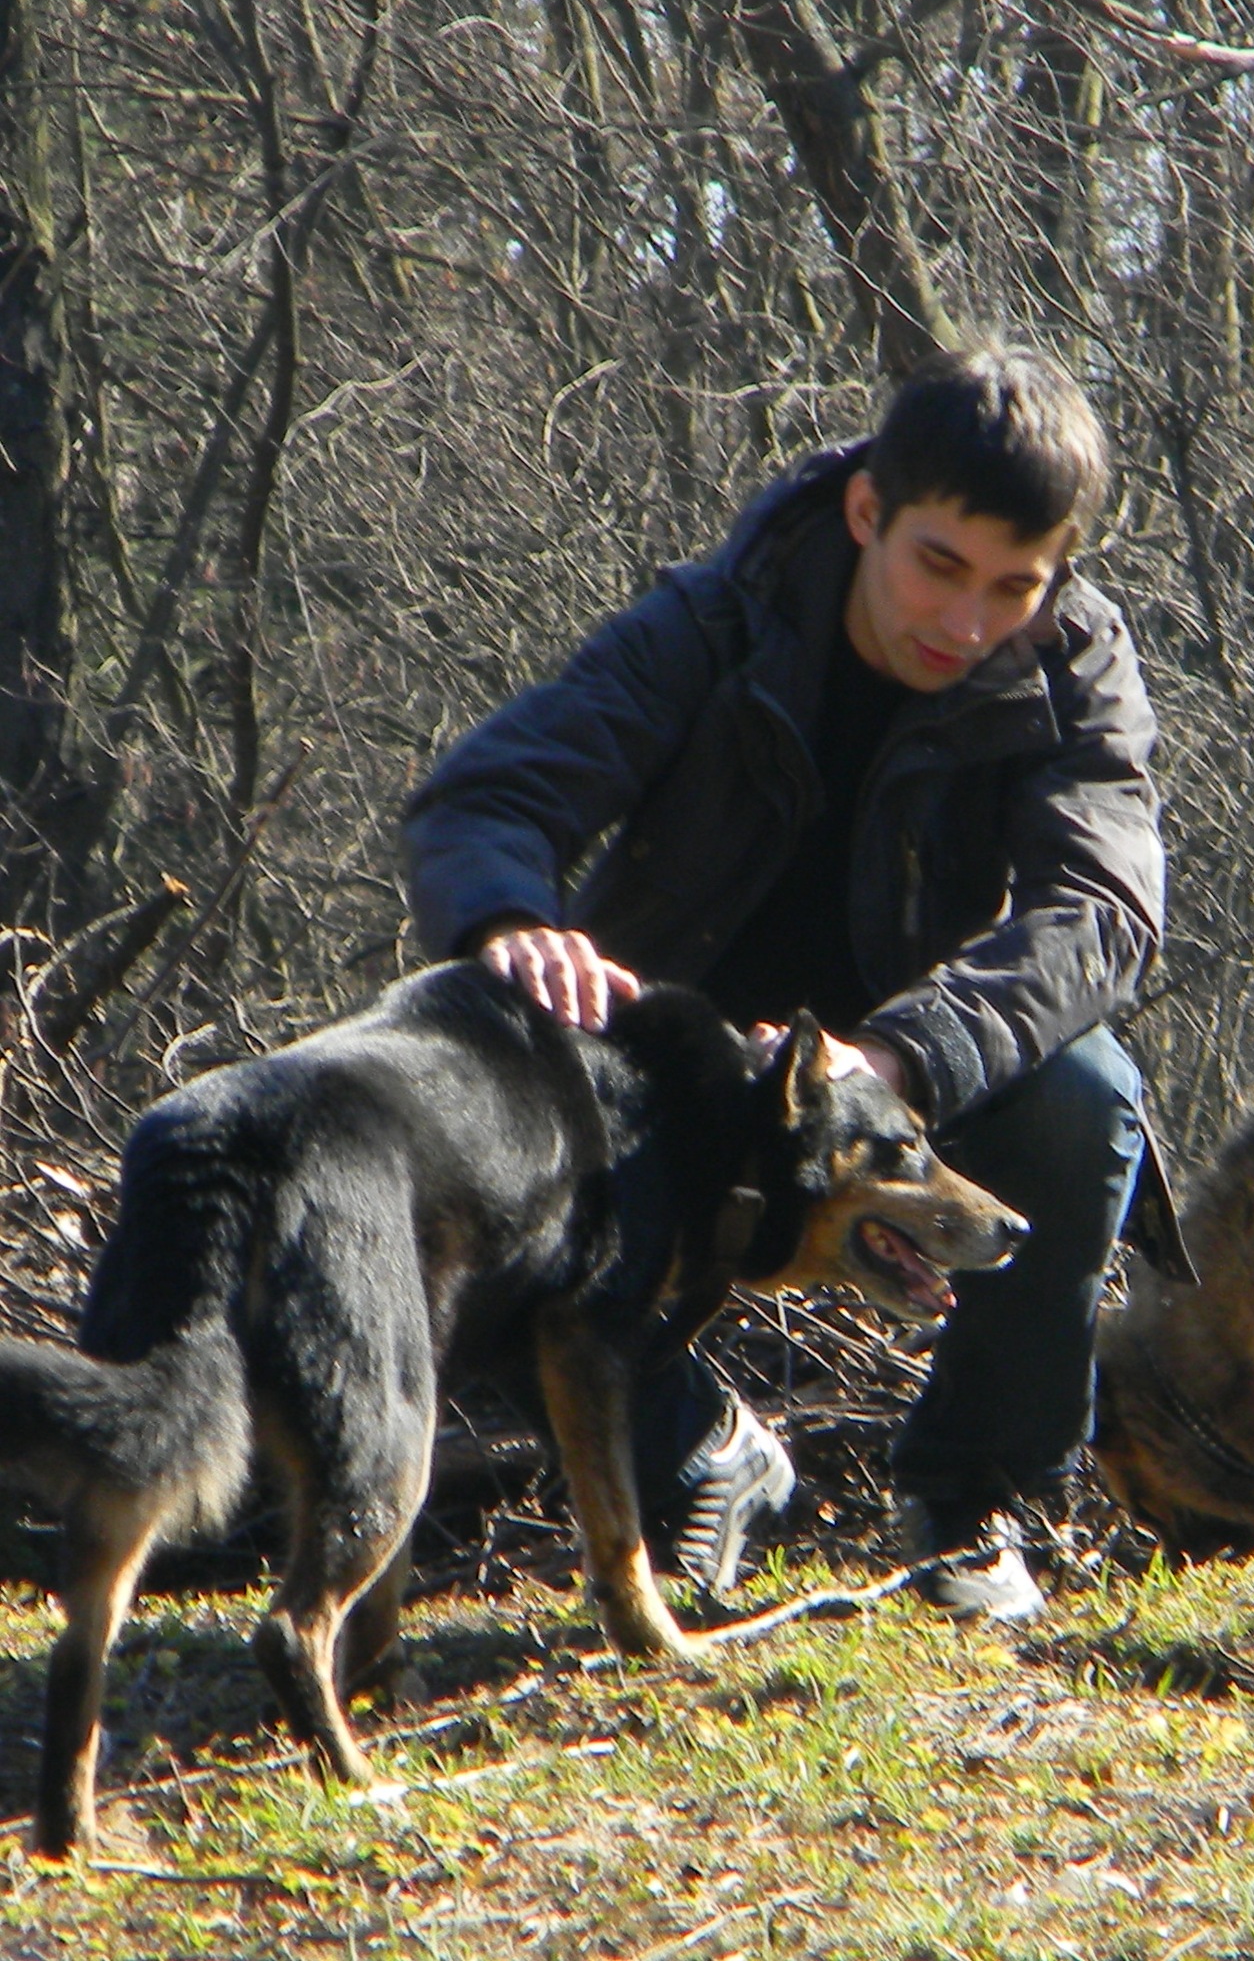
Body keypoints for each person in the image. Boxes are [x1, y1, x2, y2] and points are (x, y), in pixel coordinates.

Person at [402, 343, 1164, 1621]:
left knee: (1085, 1098)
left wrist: (905, 1055)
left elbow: (1100, 911)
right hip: (682, 1062)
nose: (966, 621)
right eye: (938, 565)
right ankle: (699, 1452)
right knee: (481, 1137)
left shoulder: (1075, 665)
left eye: (1013, 586)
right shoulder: (717, 616)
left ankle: (968, 1503)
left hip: (918, 1060)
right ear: (866, 510)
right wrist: (514, 923)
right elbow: (486, 796)